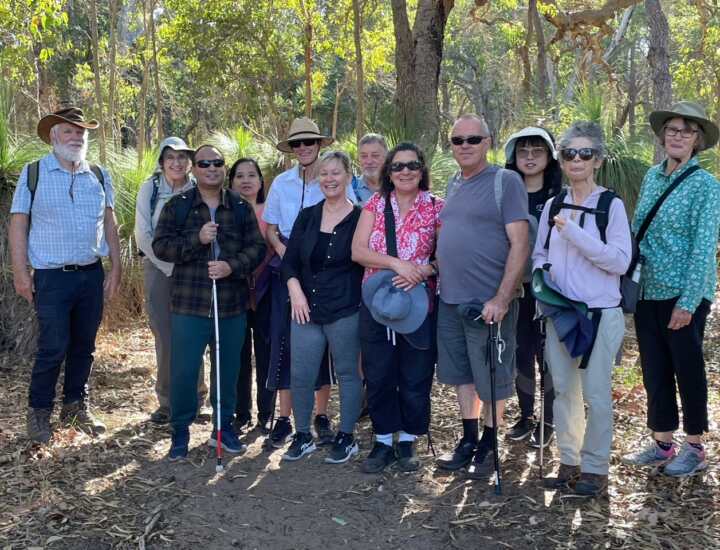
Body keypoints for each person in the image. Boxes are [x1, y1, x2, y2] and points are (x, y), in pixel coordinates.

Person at [9, 107, 121, 443]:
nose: (76, 138)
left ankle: (75, 406)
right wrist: (20, 273)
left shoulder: (99, 175)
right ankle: (39, 414)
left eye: (81, 132)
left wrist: (116, 267)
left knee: (84, 345)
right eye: (68, 132)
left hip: (90, 274)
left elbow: (110, 222)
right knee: (52, 347)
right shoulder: (34, 174)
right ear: (54, 137)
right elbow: (17, 225)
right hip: (50, 277)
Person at [533, 121, 632, 496]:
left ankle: (595, 468)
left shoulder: (610, 205)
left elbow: (619, 262)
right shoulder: (554, 204)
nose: (576, 159)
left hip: (599, 314)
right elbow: (541, 252)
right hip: (561, 314)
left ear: (598, 160)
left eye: (584, 153)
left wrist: (573, 232)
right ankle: (569, 462)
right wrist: (543, 277)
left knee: (595, 394)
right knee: (563, 391)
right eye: (569, 153)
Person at [621, 101, 720, 477]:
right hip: (648, 291)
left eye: (687, 131)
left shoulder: (706, 187)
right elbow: (636, 231)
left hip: (683, 293)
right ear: (663, 136)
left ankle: (694, 446)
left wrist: (689, 302)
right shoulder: (651, 176)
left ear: (697, 141)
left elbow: (703, 247)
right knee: (655, 369)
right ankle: (663, 442)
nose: (678, 136)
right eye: (672, 130)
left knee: (687, 368)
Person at [152, 145, 266, 460]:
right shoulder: (178, 206)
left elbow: (257, 248)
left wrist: (233, 265)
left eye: (217, 163)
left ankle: (223, 426)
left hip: (230, 304)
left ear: (223, 168)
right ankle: (180, 430)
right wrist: (196, 240)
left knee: (228, 369)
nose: (211, 168)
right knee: (184, 371)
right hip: (189, 304)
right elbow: (160, 246)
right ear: (194, 168)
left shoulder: (240, 208)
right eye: (204, 163)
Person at [434, 114, 529, 479]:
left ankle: (491, 442)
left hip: (488, 304)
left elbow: (519, 244)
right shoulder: (454, 182)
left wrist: (502, 299)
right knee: (463, 375)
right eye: (458, 140)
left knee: (493, 376)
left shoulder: (505, 182)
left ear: (488, 142)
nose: (465, 146)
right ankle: (469, 439)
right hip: (451, 299)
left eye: (473, 139)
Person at [262, 117, 357, 449]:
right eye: (298, 144)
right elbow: (277, 239)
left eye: (310, 143)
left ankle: (335, 426)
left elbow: (359, 250)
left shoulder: (352, 205)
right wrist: (292, 278)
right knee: (295, 359)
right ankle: (294, 426)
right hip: (296, 286)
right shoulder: (293, 198)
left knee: (340, 364)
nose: (304, 148)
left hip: (339, 294)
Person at [352, 142, 444, 473]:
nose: (405, 172)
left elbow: (445, 254)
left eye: (412, 165)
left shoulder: (436, 207)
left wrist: (424, 269)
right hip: (377, 302)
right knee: (378, 372)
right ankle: (382, 439)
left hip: (419, 304)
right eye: (398, 166)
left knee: (415, 372)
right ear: (389, 172)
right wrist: (397, 264)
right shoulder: (375, 205)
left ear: (422, 170)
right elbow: (358, 251)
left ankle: (407, 439)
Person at [281, 151, 364, 464]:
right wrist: (296, 292)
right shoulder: (308, 215)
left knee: (347, 372)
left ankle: (346, 436)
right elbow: (288, 262)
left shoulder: (360, 218)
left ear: (347, 176)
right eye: (324, 173)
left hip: (344, 308)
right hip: (306, 308)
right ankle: (302, 435)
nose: (329, 179)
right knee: (301, 374)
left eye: (336, 173)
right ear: (318, 179)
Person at [135, 137, 209, 425]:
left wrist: (186, 264)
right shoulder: (150, 188)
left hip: (194, 272)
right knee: (165, 337)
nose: (176, 163)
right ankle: (167, 401)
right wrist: (168, 266)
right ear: (162, 161)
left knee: (194, 334)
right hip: (158, 269)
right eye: (170, 157)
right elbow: (143, 233)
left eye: (182, 157)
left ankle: (197, 398)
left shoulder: (198, 188)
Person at [503, 127, 562, 447]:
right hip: (515, 289)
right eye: (522, 151)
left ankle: (549, 419)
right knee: (521, 352)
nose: (529, 157)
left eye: (536, 151)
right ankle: (526, 415)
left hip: (551, 290)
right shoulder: (505, 192)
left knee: (548, 354)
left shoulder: (560, 196)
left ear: (549, 157)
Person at [228, 158, 275, 434]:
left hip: (268, 289)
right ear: (231, 182)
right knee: (239, 352)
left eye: (252, 175)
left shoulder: (271, 211)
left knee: (267, 351)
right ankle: (241, 412)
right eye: (239, 176)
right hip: (233, 290)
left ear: (260, 181)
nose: (246, 181)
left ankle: (267, 412)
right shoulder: (225, 212)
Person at [353, 133, 388, 205]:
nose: (369, 161)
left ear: (386, 157)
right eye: (364, 156)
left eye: (375, 156)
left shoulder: (397, 187)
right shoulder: (351, 189)